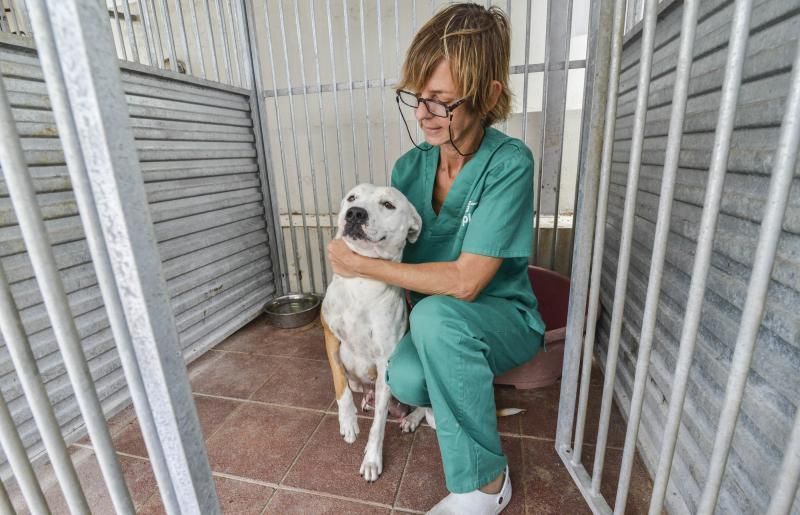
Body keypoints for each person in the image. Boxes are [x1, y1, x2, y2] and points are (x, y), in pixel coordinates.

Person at [327, 4, 544, 514]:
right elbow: (377, 239)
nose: (423, 114)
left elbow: (468, 282)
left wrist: (365, 267)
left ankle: (487, 483)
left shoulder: (509, 164)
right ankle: (460, 387)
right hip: (433, 326)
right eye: (417, 98)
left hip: (502, 317)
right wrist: (347, 248)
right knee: (403, 378)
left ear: (488, 96)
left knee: (438, 314)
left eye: (441, 101)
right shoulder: (409, 168)